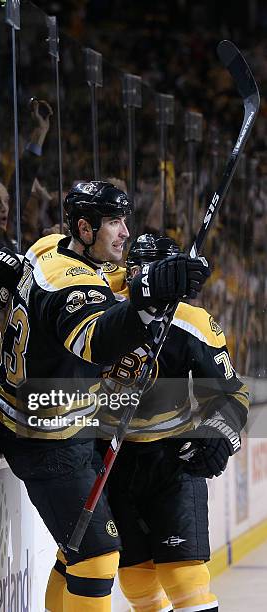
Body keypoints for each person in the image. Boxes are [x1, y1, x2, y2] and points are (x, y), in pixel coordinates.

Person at [0, 181, 211, 611]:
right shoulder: (76, 288)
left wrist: (157, 275)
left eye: (125, 220)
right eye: (114, 223)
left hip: (54, 425)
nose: (125, 232)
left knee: (77, 554)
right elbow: (98, 340)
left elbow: (94, 278)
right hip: (48, 438)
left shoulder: (48, 248)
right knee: (99, 559)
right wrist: (151, 292)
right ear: (84, 229)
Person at [93, 234, 248, 612]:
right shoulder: (105, 314)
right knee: (136, 583)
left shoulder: (193, 323)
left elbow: (233, 393)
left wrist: (219, 436)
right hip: (113, 459)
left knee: (186, 581)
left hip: (173, 461)